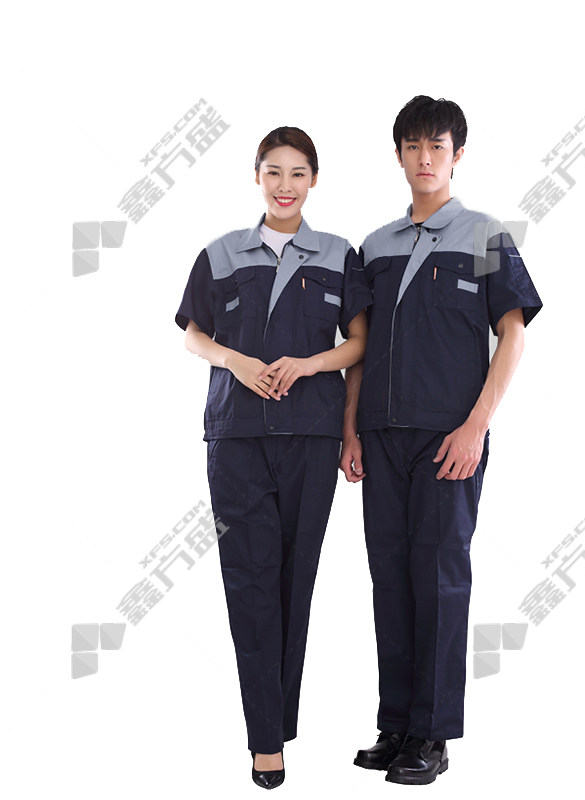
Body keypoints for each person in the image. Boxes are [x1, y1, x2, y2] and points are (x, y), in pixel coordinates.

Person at [340, 96, 544, 785]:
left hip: (449, 438)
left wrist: (476, 425)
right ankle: (396, 724)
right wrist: (351, 429)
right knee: (390, 579)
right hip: (381, 437)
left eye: (437, 146)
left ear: (458, 155)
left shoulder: (484, 235)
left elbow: (512, 333)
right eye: (413, 147)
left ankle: (432, 734)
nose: (425, 159)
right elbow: (360, 346)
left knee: (438, 580)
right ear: (398, 155)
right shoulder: (375, 246)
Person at [175, 126, 372, 790]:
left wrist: (310, 364)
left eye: (297, 174)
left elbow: (358, 342)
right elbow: (193, 335)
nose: (285, 186)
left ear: (313, 180)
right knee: (249, 580)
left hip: (312, 435)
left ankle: (276, 718)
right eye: (273, 172)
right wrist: (234, 360)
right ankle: (266, 741)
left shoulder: (339, 254)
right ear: (256, 176)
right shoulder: (221, 253)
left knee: (294, 579)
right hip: (236, 436)